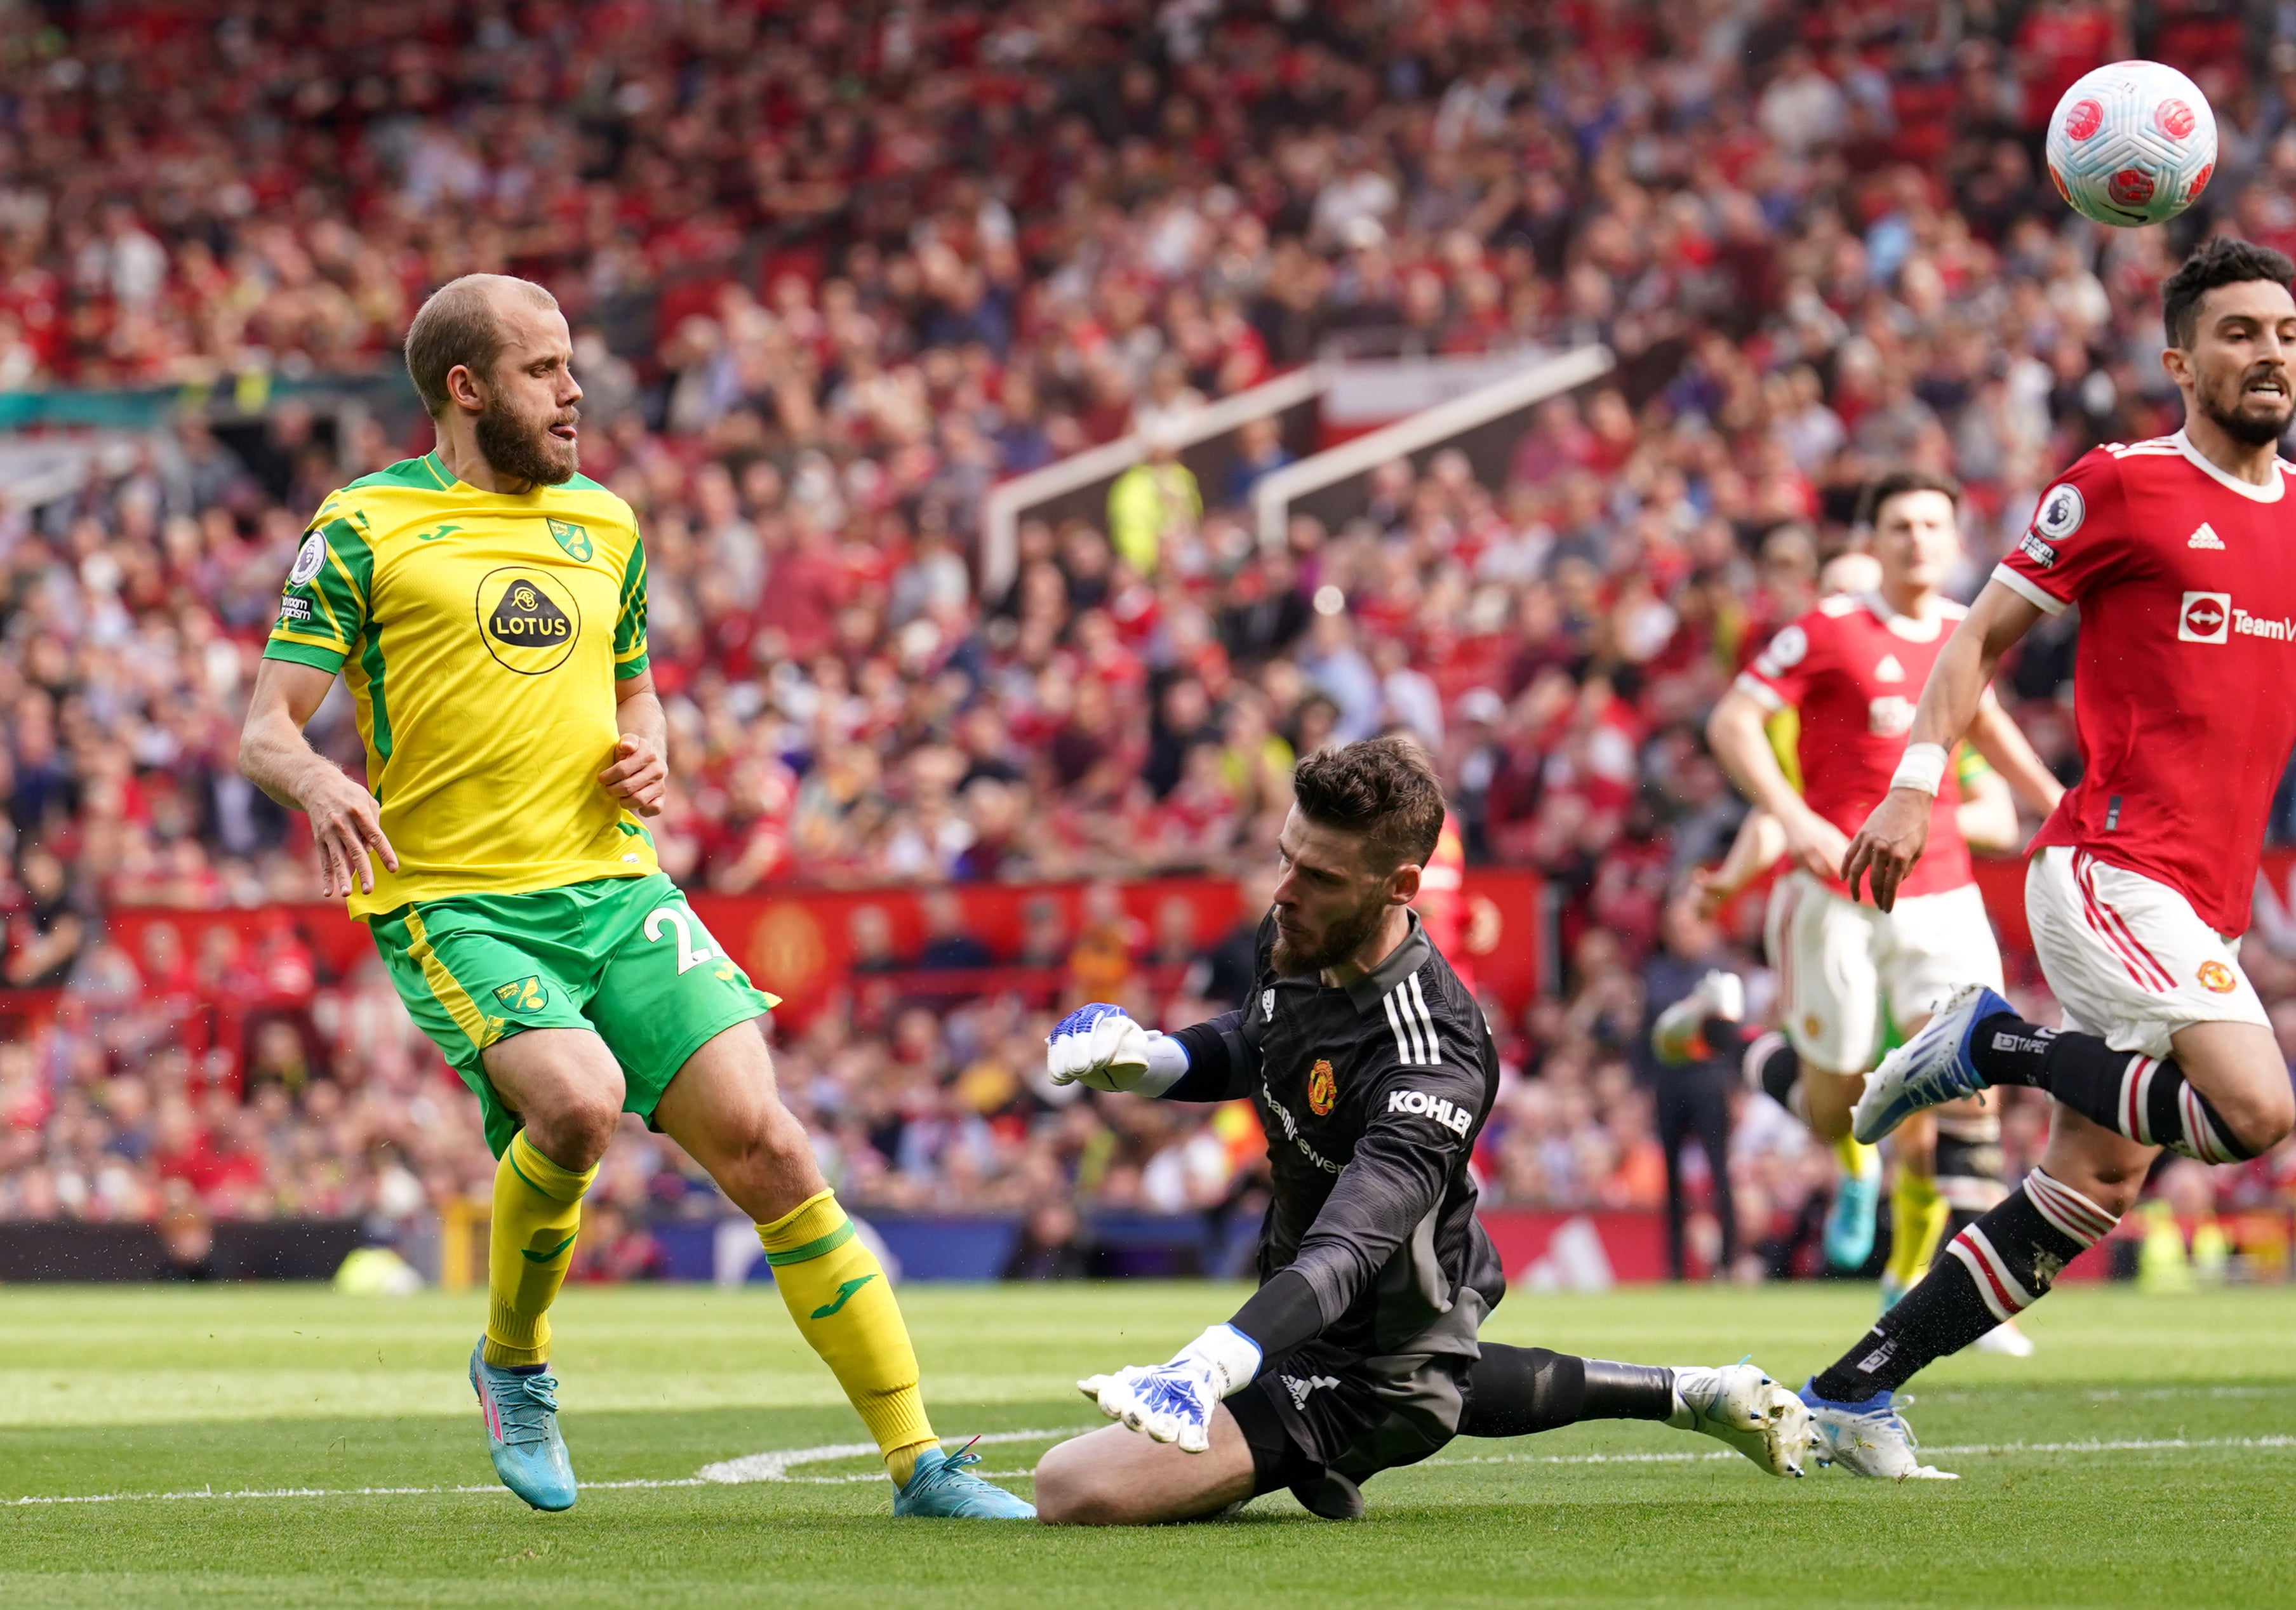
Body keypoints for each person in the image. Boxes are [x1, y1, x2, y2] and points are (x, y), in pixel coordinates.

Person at [237, 273, 1030, 1520]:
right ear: (466, 387)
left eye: (570, 368)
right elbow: (262, 727)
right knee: (579, 1103)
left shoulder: (603, 522)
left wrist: (647, 741)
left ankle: (920, 1460)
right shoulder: (365, 526)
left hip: (612, 884)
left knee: (769, 1145)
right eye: (545, 369)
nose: (575, 391)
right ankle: (513, 1359)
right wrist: (318, 777)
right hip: (461, 902)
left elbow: (636, 685)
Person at [1025, 738, 1812, 1525]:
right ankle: (1693, 1393)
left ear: (1401, 886)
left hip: (1377, 1359)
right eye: (1284, 858)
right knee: (1436, 1375)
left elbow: (1351, 1246)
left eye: (1320, 876)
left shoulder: (1433, 1055)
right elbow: (1260, 1036)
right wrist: (1150, 1061)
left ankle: (1327, 1437)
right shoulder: (1304, 927)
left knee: (1074, 1487)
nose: (1285, 891)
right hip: (1310, 1315)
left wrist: (1207, 1364)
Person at [1808, 237, 2296, 1477]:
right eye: (2238, 332)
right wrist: (1915, 785)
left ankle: (1850, 1389)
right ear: (2178, 360)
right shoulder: (2120, 485)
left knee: (2086, 1186)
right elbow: (1973, 637)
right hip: (2108, 866)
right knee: (2252, 1111)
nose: (2270, 354)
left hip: (2207, 897)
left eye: (2284, 333)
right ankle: (1992, 1041)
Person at [1701, 472, 2062, 1314]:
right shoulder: (1827, 629)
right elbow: (1730, 722)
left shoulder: (1964, 629)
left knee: (1974, 1074)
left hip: (1942, 896)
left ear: (1956, 539)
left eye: (1934, 524)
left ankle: (1947, 1290)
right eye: (1901, 525)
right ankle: (1736, 1040)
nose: (1918, 540)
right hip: (1838, 900)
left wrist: (2060, 806)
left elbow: (1990, 727)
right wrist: (1793, 819)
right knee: (1845, 1110)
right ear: (1875, 539)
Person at [1638, 893, 1742, 1281]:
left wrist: (1737, 1085)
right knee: (1672, 1177)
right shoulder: (1656, 972)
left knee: (1719, 1171)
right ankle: (1677, 1265)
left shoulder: (1720, 973)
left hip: (1710, 1083)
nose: (1681, 935)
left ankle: (1729, 1261)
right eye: (1674, 928)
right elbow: (1646, 1034)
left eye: (1687, 926)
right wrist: (1643, 1083)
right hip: (1670, 1083)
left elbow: (1732, 1036)